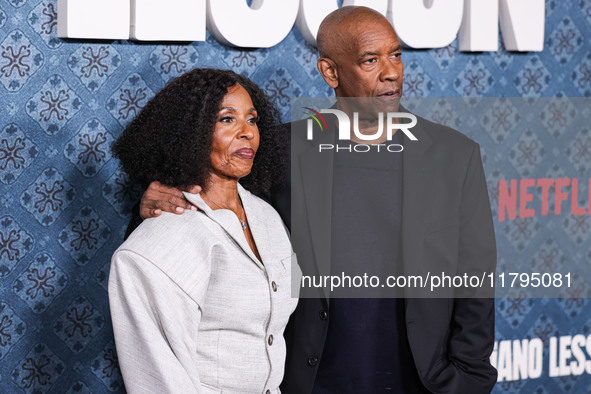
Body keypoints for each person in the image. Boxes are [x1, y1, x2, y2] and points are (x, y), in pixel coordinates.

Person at [128, 6, 498, 394]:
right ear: (330, 72)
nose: (391, 72)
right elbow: (210, 214)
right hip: (309, 380)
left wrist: (469, 378)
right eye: (371, 60)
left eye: (396, 54)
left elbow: (475, 273)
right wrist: (153, 204)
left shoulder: (453, 155)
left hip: (424, 383)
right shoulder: (281, 150)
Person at [109, 68, 300, 394]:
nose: (247, 133)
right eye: (227, 119)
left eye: (252, 120)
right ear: (190, 132)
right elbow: (160, 381)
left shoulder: (269, 218)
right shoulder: (157, 246)